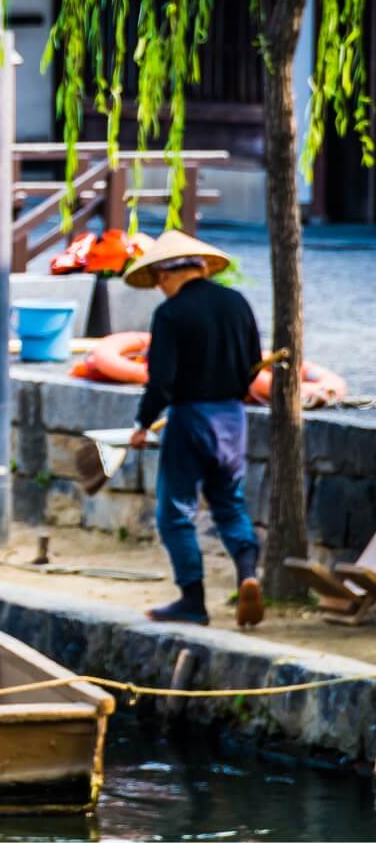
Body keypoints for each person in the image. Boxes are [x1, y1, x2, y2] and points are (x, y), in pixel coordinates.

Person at [124, 230, 264, 627]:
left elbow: (161, 382)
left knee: (175, 511)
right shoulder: (237, 303)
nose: (158, 288)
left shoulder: (170, 314)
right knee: (229, 502)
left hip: (189, 420)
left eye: (158, 280)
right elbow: (253, 360)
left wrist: (142, 424)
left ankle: (192, 599)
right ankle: (248, 575)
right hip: (232, 419)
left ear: (169, 274)